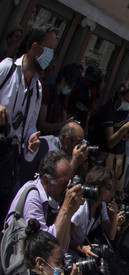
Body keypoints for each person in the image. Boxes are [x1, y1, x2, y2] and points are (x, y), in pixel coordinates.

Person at [0, 25, 56, 217]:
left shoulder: (38, 89)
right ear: (35, 47)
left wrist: (32, 137)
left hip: (9, 160)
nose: (51, 55)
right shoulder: (6, 69)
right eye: (49, 49)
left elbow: (30, 123)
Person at [6, 151, 83, 251]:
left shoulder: (51, 198)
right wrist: (66, 208)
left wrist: (70, 211)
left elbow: (62, 248)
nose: (67, 188)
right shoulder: (32, 198)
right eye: (64, 183)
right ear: (46, 180)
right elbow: (46, 248)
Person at [96, 81, 129, 193]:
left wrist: (126, 133)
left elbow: (119, 129)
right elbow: (110, 141)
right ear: (120, 95)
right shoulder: (108, 110)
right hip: (107, 157)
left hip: (119, 157)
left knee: (116, 192)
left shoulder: (124, 110)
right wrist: (124, 128)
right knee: (103, 191)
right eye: (127, 101)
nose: (128, 104)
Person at [37, 63, 79, 135]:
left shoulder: (63, 97)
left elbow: (64, 115)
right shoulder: (47, 92)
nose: (70, 90)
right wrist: (62, 125)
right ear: (63, 80)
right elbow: (41, 125)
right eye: (69, 86)